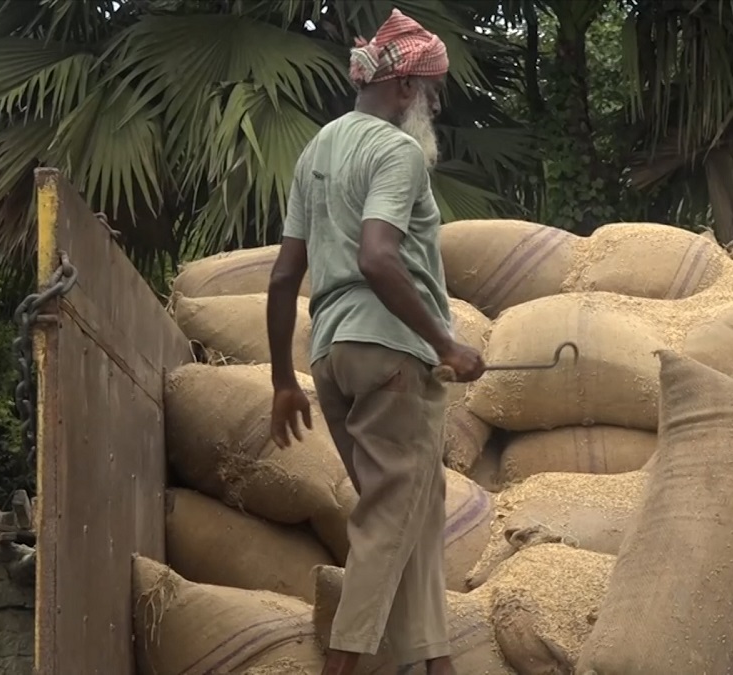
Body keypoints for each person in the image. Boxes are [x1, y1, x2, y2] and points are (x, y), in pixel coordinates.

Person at [265, 10, 485, 675]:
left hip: (333, 356)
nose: (435, 106)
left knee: (418, 507)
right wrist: (446, 344)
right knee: (389, 519)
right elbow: (378, 258)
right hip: (392, 355)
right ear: (402, 89)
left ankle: (434, 661)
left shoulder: (316, 152)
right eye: (433, 92)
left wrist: (282, 379)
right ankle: (344, 665)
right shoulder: (397, 153)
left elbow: (282, 278)